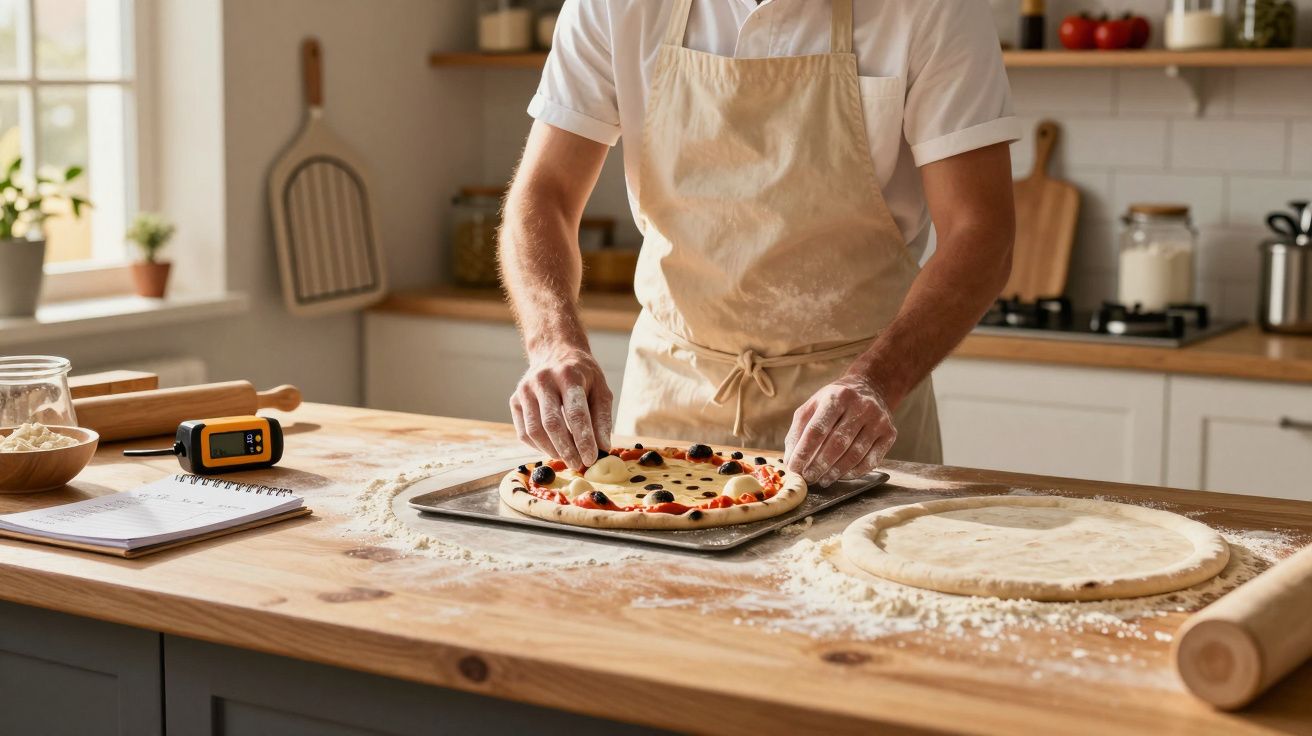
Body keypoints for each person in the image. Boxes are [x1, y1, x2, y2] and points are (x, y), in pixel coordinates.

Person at [499, 0, 1019, 485]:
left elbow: (981, 231)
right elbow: (545, 194)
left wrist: (878, 381)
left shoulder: (933, 9)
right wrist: (553, 343)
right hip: (667, 408)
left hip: (857, 425)